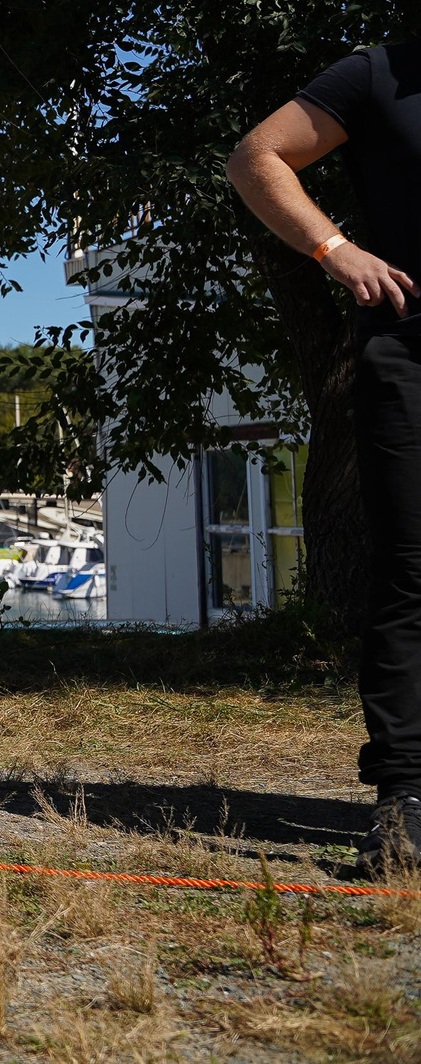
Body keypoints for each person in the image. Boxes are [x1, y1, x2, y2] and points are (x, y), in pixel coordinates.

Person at [228, 45, 421, 875]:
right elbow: (255, 155)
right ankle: (406, 802)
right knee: (413, 574)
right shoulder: (381, 74)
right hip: (413, 358)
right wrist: (334, 249)